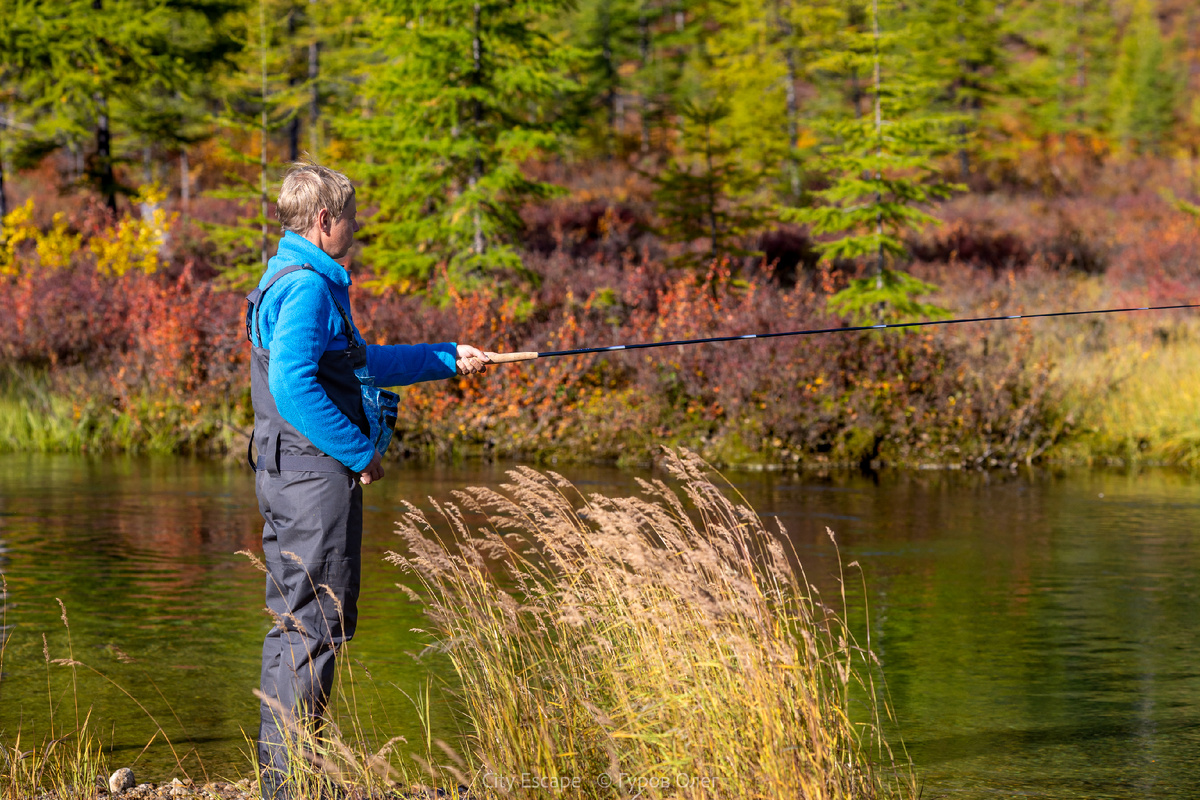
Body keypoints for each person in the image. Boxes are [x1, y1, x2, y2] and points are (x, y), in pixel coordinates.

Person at [246, 163, 489, 798]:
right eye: (350, 216)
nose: (356, 226)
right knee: (315, 626)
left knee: (299, 624)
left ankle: (286, 779)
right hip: (311, 481)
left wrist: (445, 357)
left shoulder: (289, 276)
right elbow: (293, 384)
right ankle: (291, 784)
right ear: (324, 219)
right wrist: (359, 452)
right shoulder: (308, 289)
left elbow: (357, 363)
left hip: (288, 474)